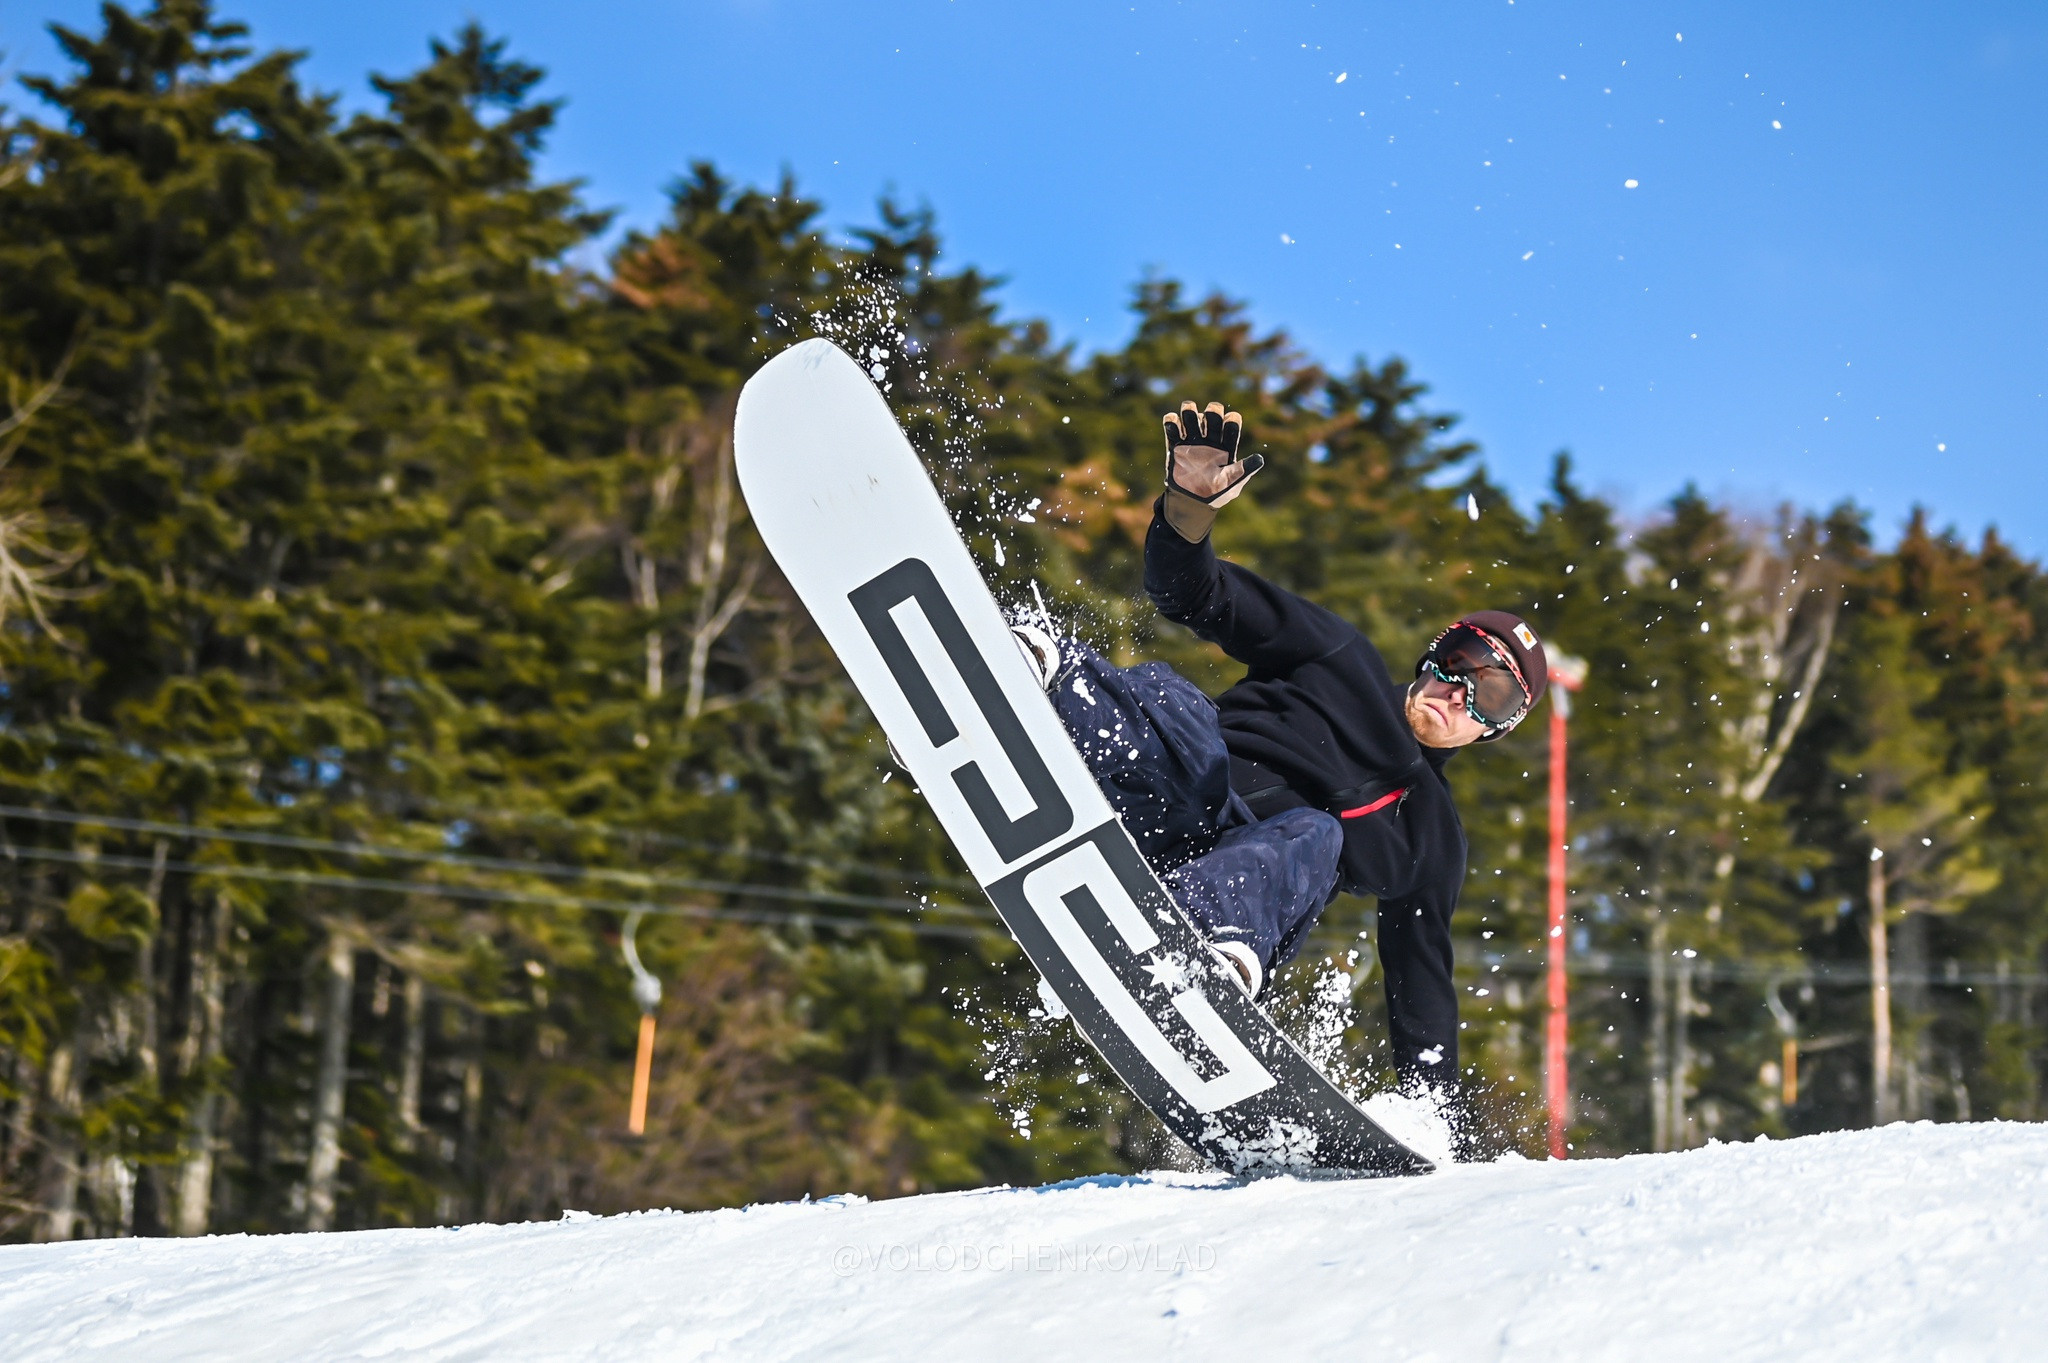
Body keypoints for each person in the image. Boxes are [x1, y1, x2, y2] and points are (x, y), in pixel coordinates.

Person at [1018, 400, 1549, 1101]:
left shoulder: (1429, 836)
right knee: (1181, 707)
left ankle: (1206, 955)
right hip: (1161, 794)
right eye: (1462, 662)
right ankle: (1036, 684)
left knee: (1318, 833)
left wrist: (1434, 1123)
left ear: (1497, 730)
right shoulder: (1338, 658)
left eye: (1494, 698)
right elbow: (1195, 594)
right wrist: (1188, 510)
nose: (1459, 695)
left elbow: (1421, 984)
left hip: (1229, 897)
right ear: (1433, 655)